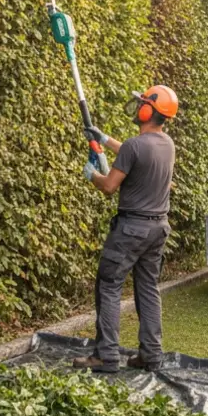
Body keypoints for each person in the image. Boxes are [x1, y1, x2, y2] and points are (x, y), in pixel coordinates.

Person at [73, 85, 179, 374]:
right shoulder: (167, 144)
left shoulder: (135, 145)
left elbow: (109, 186)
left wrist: (92, 175)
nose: (138, 106)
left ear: (148, 111)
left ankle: (106, 356)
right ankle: (151, 355)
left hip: (131, 229)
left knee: (108, 286)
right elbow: (134, 155)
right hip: (158, 229)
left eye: (142, 103)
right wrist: (104, 139)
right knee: (148, 288)